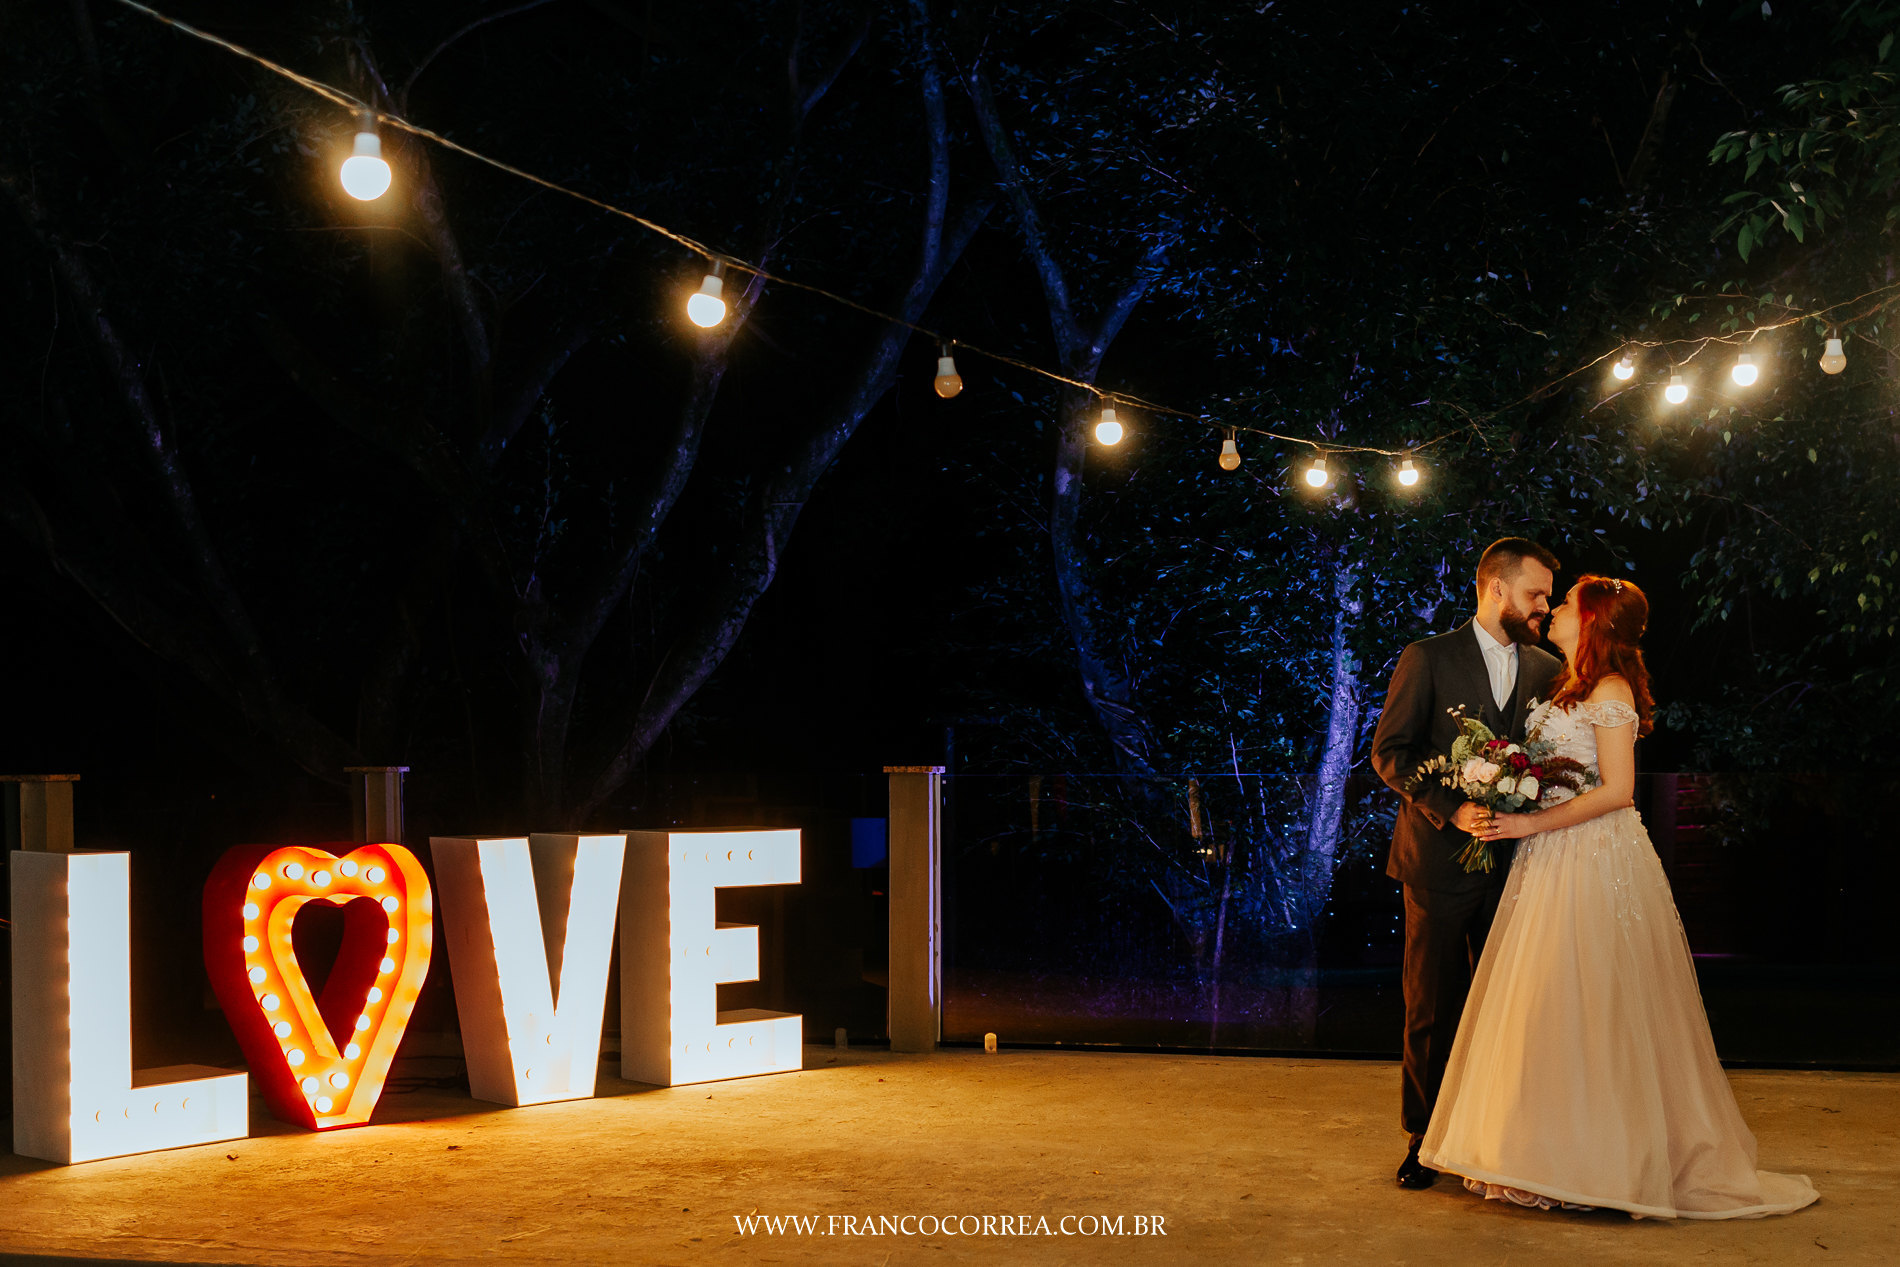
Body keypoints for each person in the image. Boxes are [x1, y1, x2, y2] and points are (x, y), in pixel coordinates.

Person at [1419, 575, 1818, 1219]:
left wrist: (1525, 820)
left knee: (1593, 1003)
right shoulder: (1565, 684)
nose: (1555, 611)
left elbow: (1617, 791)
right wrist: (1507, 784)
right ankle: (1542, 1152)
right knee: (1548, 1007)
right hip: (1549, 860)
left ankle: (1606, 1158)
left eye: (1568, 603)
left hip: (1592, 859)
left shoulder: (1609, 690)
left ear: (1595, 621)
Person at [1369, 537, 1563, 1190]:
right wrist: (1449, 808)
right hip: (1437, 863)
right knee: (1432, 1005)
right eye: (1536, 593)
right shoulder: (1427, 658)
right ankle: (1423, 1138)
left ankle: (1499, 1134)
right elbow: (1390, 751)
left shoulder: (1544, 666)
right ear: (1496, 589)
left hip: (1521, 866)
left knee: (1513, 1009)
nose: (1545, 606)